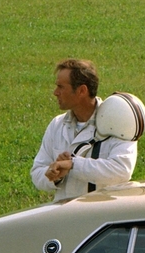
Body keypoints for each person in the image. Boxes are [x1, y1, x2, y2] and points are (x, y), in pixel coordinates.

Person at [31, 59, 137, 202]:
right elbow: (37, 173)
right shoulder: (57, 125)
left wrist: (73, 164)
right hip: (65, 216)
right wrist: (54, 175)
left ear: (82, 91)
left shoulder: (119, 121)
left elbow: (121, 170)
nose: (55, 92)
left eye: (61, 87)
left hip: (103, 216)